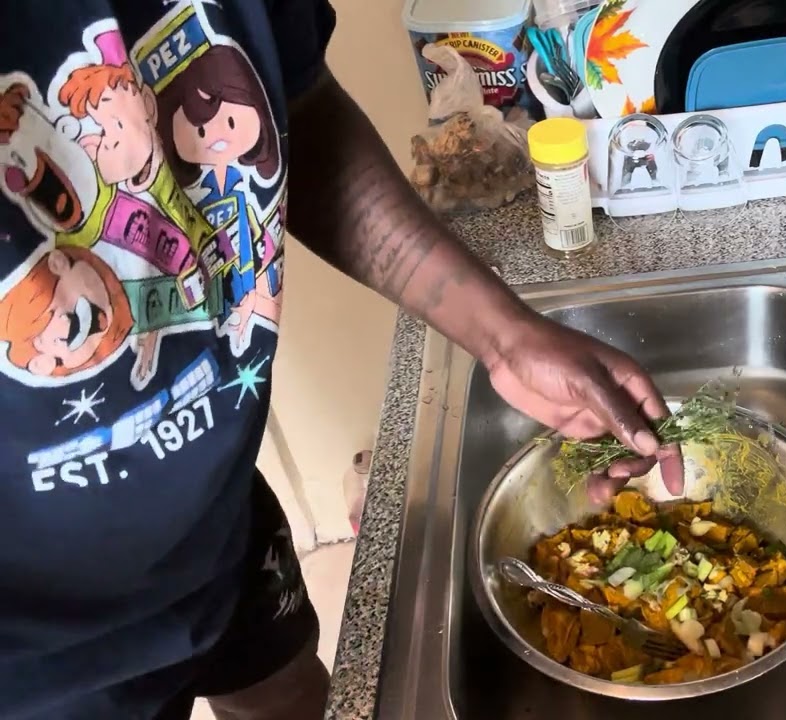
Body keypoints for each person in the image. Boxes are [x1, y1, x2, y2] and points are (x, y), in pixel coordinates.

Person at [0, 2, 681, 719]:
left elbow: (296, 117)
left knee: (288, 692)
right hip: (33, 652)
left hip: (213, 515)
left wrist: (506, 338)